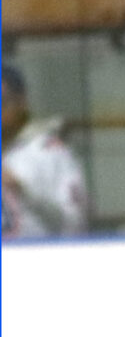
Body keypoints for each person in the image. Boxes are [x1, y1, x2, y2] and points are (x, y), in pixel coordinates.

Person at [2, 64, 91, 239]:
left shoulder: (50, 152)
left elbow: (75, 223)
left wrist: (22, 191)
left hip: (39, 259)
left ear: (22, 102)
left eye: (1, 102)